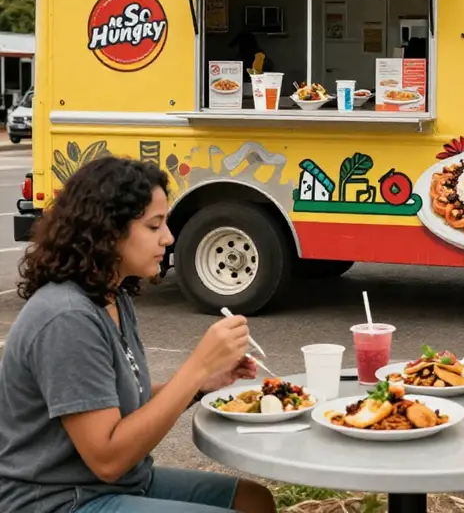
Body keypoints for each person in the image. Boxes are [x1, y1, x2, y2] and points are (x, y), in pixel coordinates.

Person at [0, 156, 276, 513]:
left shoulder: (112, 296)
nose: (169, 237)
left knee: (253, 500)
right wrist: (197, 366)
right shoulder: (66, 319)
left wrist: (201, 382)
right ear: (108, 232)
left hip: (115, 484)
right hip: (59, 500)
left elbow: (122, 407)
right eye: (154, 225)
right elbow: (109, 459)